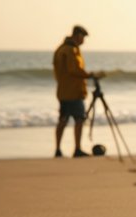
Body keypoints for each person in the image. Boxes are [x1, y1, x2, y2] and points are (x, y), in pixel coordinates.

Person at [53, 25, 104, 158]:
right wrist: (90, 75)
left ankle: (58, 149)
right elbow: (74, 70)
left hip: (64, 91)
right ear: (78, 35)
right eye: (83, 37)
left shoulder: (61, 49)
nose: (83, 41)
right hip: (73, 92)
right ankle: (77, 149)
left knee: (63, 120)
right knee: (79, 119)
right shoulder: (71, 50)